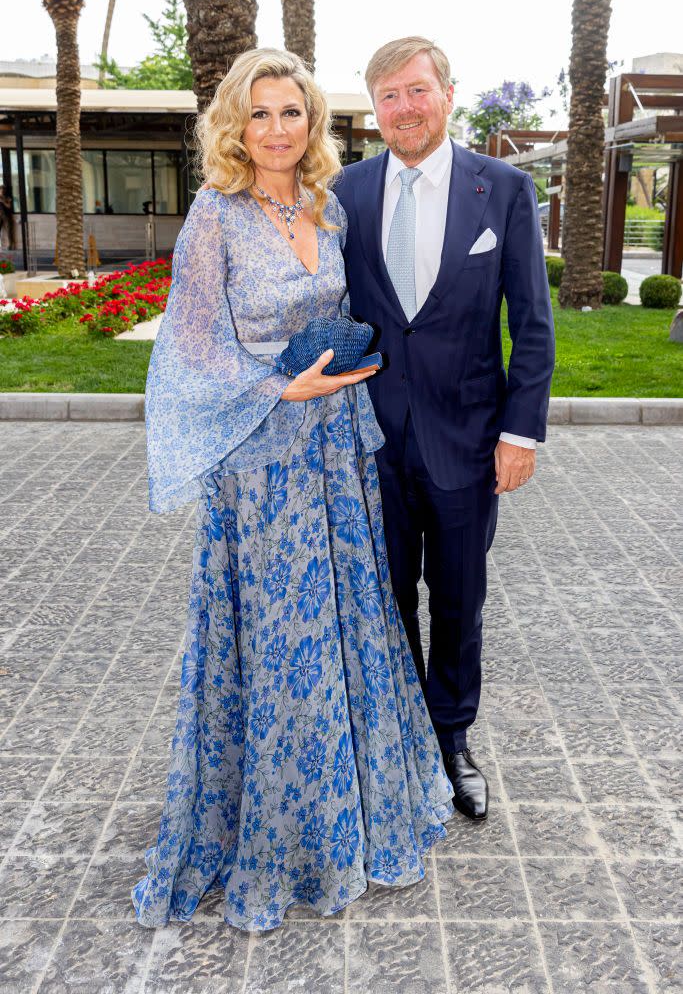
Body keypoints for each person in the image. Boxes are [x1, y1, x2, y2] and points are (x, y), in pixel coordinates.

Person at [131, 48, 457, 934]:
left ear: (313, 123)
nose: (278, 130)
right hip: (263, 463)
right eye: (261, 113)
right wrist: (281, 388)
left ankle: (343, 812)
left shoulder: (326, 207)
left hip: (335, 454)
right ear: (234, 124)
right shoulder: (214, 215)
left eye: (293, 112)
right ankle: (279, 834)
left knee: (346, 625)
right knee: (282, 641)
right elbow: (187, 352)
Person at [335, 37, 555, 823]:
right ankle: (395, 739)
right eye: (387, 95)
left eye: (416, 90)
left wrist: (519, 434)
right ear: (373, 108)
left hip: (467, 440)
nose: (403, 107)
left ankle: (451, 738)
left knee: (458, 600)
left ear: (447, 94)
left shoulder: (503, 190)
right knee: (384, 598)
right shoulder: (345, 192)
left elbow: (530, 322)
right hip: (366, 439)